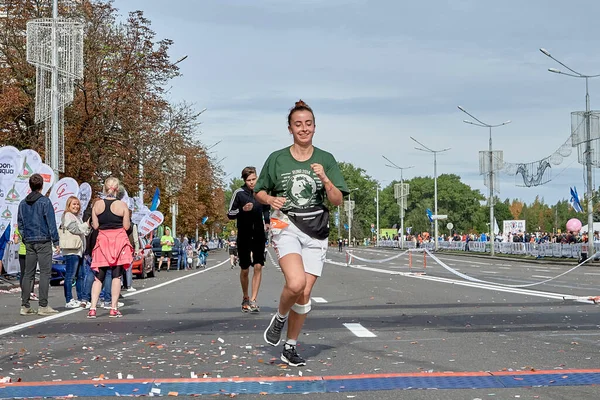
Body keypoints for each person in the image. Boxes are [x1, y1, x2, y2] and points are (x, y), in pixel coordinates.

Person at [255, 100, 348, 366]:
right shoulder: (277, 158)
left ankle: (290, 346)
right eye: (298, 124)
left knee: (304, 293)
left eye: (308, 124)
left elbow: (337, 199)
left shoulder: (326, 159)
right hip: (285, 224)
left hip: (316, 228)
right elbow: (259, 191)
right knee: (295, 284)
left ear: (315, 128)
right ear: (290, 128)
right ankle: (280, 318)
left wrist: (325, 179)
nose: (303, 128)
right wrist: (270, 200)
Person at [88, 177, 133, 318]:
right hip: (119, 241)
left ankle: (93, 308)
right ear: (117, 189)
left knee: (99, 277)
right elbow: (126, 226)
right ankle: (113, 308)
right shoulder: (122, 205)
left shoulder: (97, 205)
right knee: (116, 275)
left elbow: (95, 226)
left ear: (105, 188)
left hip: (102, 241)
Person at [227, 166, 270, 313]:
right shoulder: (239, 193)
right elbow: (230, 214)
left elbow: (266, 207)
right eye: (249, 180)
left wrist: (268, 222)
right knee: (245, 268)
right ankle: (245, 296)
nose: (252, 183)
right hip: (244, 234)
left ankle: (254, 299)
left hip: (258, 233)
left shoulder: (261, 192)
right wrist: (242, 209)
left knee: (258, 266)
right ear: (245, 181)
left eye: (254, 179)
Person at [18, 173, 61, 316]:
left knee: (28, 274)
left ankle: (25, 305)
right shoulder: (45, 202)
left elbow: (20, 224)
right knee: (44, 273)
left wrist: (25, 237)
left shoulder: (23, 203)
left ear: (30, 186)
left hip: (29, 241)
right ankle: (43, 305)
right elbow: (51, 223)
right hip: (43, 241)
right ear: (42, 185)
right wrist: (56, 241)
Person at [60, 196, 91, 308]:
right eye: (73, 204)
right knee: (70, 275)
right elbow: (75, 229)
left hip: (79, 250)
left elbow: (82, 231)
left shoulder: (77, 217)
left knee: (81, 275)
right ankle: (69, 299)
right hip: (71, 250)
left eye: (77, 204)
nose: (76, 206)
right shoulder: (68, 215)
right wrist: (86, 224)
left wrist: (86, 227)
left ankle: (81, 298)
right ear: (68, 205)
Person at [14, 225, 38, 301]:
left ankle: (23, 294)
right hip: (31, 252)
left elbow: (15, 241)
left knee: (23, 273)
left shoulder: (19, 227)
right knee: (31, 273)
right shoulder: (32, 226)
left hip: (21, 252)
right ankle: (30, 292)